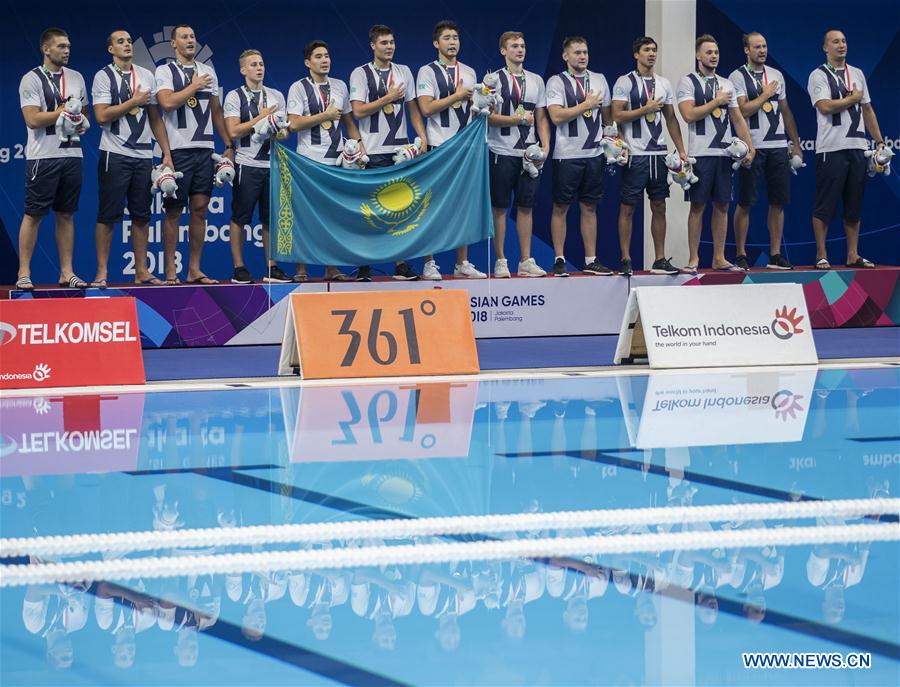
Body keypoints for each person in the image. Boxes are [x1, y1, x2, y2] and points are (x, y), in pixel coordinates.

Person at [91, 29, 173, 288]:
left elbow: (155, 118)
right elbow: (101, 116)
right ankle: (101, 273)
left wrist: (166, 152)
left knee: (142, 215)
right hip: (114, 154)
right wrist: (133, 101)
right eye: (120, 42)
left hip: (143, 156)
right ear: (111, 49)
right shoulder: (103, 76)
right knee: (108, 215)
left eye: (128, 41)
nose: (127, 44)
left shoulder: (146, 75)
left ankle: (142, 272)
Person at [155, 24, 233, 285]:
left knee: (200, 210)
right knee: (174, 211)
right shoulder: (165, 70)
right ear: (173, 44)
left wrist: (228, 144)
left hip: (204, 150)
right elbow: (167, 103)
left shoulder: (207, 71)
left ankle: (194, 270)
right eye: (184, 37)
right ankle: (170, 271)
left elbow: (216, 110)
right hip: (178, 150)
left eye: (192, 37)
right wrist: (194, 85)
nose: (190, 40)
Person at [350, 24, 428, 281]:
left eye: (392, 42)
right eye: (384, 43)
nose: (389, 47)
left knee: (400, 209)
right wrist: (388, 96)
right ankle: (364, 264)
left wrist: (422, 136)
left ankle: (400, 264)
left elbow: (413, 108)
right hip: (372, 151)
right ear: (373, 45)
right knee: (369, 211)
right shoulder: (360, 73)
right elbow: (358, 111)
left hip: (400, 151)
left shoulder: (404, 71)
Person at [17, 27, 90, 290]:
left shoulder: (77, 77)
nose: (67, 50)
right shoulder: (31, 79)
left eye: (68, 46)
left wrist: (80, 122)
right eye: (61, 46)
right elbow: (32, 119)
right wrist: (62, 112)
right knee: (33, 214)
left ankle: (66, 272)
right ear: (46, 49)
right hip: (43, 157)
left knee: (66, 215)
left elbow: (84, 115)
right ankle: (24, 272)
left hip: (72, 154)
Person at [676, 34, 756, 273]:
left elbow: (737, 119)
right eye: (709, 52)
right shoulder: (687, 82)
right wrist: (716, 101)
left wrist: (750, 146)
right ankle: (693, 259)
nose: (714, 56)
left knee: (722, 206)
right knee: (698, 206)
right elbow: (688, 115)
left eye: (716, 52)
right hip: (700, 154)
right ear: (698, 56)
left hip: (724, 154)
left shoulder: (726, 84)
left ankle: (719, 258)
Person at [807, 29, 885, 269]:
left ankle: (853, 254)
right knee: (825, 205)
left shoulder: (857, 73)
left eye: (843, 41)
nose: (841, 45)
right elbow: (824, 106)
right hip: (831, 149)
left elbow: (867, 109)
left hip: (858, 147)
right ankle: (821, 254)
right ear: (825, 48)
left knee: (854, 205)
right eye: (835, 42)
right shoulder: (818, 75)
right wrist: (852, 99)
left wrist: (880, 141)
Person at [415, 19, 486, 280]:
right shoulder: (426, 72)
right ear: (436, 43)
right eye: (447, 38)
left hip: (466, 146)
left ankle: (462, 263)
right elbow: (426, 108)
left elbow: (475, 107)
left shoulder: (469, 72)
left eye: (455, 37)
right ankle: (429, 263)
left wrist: (486, 103)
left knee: (463, 205)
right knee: (432, 205)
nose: (452, 42)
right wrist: (456, 96)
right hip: (439, 144)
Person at [612, 36, 689, 277]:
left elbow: (671, 118)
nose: (652, 54)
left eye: (654, 50)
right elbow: (616, 115)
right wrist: (645, 109)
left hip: (658, 154)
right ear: (636, 54)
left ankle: (660, 259)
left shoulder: (663, 83)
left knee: (659, 205)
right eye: (646, 50)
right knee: (628, 207)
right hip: (635, 153)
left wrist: (681, 150)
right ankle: (625, 258)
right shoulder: (624, 82)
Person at [287, 39, 363, 282]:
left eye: (327, 56)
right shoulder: (298, 87)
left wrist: (359, 146)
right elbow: (294, 123)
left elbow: (348, 121)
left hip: (337, 161)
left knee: (333, 217)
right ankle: (301, 269)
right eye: (318, 57)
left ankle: (332, 268)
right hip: (309, 160)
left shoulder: (340, 86)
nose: (324, 60)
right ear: (307, 63)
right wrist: (325, 115)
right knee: (305, 216)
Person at [729, 32, 803, 271]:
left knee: (778, 202)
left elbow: (785, 110)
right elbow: (743, 111)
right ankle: (741, 254)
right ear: (746, 50)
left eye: (764, 46)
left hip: (778, 146)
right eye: (757, 47)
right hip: (753, 147)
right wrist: (765, 94)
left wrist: (796, 143)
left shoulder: (776, 75)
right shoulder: (737, 76)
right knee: (746, 202)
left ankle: (775, 254)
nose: (762, 50)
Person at [545, 36, 613, 277]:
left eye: (585, 52)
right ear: (566, 56)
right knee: (560, 207)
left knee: (589, 206)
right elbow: (556, 117)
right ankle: (559, 259)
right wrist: (586, 104)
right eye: (577, 52)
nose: (582, 56)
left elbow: (607, 117)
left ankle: (591, 260)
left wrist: (614, 140)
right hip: (567, 154)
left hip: (594, 153)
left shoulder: (599, 79)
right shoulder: (556, 81)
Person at [223, 49, 290, 284]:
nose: (259, 68)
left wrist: (275, 128)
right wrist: (261, 118)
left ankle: (272, 268)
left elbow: (285, 134)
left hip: (271, 164)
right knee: (240, 217)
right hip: (246, 164)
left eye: (261, 64)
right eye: (253, 65)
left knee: (270, 219)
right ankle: (239, 268)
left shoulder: (275, 96)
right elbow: (233, 131)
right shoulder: (234, 96)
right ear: (243, 70)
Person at [488, 31, 551, 278]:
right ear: (503, 51)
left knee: (526, 207)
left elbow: (541, 118)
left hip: (530, 154)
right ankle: (501, 260)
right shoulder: (493, 79)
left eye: (522, 45)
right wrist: (516, 120)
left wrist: (545, 146)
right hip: (501, 150)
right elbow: (487, 118)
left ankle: (525, 261)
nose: (520, 50)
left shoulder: (536, 80)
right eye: (514, 46)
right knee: (500, 208)